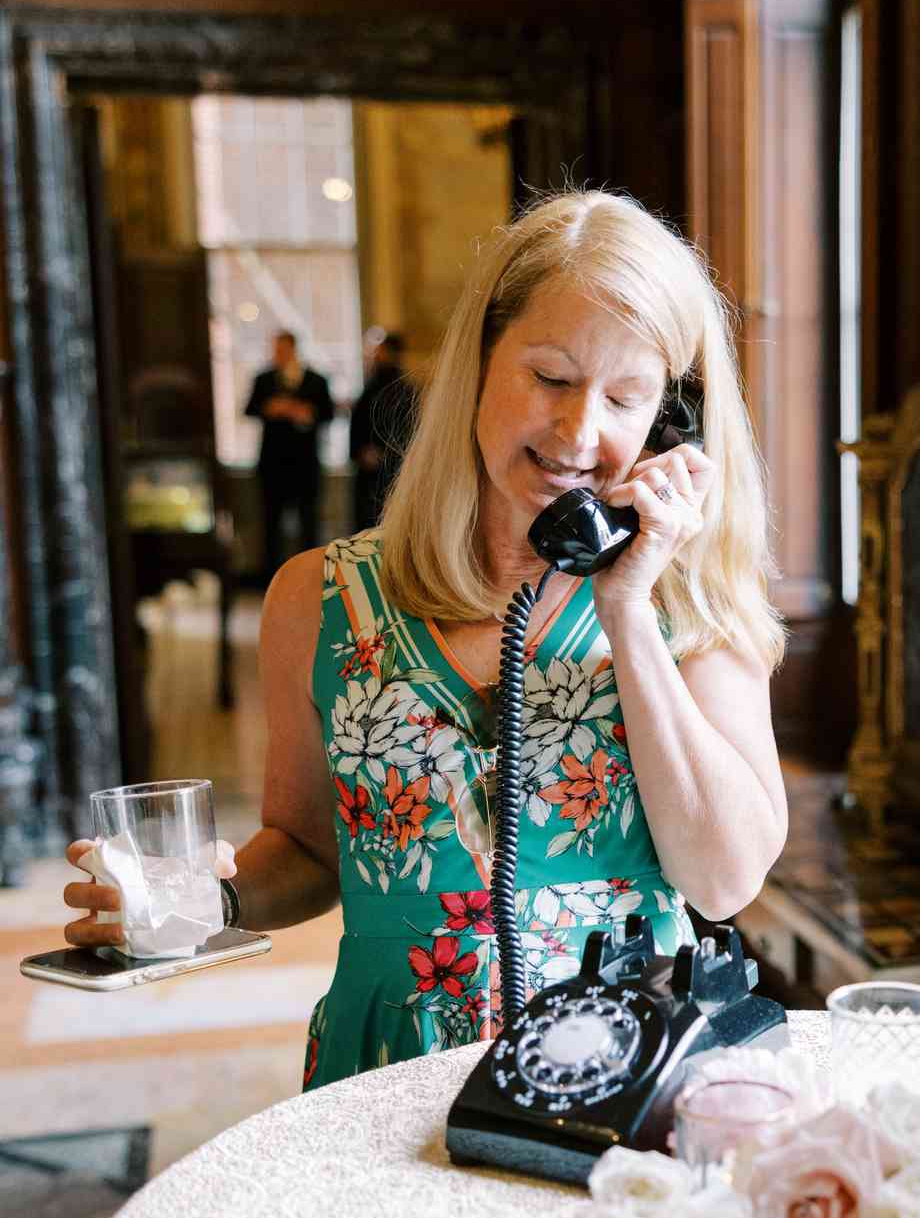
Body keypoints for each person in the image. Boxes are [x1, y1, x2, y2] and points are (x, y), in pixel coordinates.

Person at [63, 191, 788, 1090]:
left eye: (626, 397)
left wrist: (629, 608)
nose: (579, 432)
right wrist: (199, 900)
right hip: (384, 1068)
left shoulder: (692, 596)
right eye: (552, 378)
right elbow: (313, 846)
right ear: (478, 363)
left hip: (617, 1070)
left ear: (665, 422)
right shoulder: (315, 598)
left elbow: (725, 882)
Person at [245, 330, 334, 583]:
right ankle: (271, 581)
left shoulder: (316, 380)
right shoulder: (263, 379)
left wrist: (305, 413)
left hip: (305, 465)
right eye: (275, 349)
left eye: (282, 349)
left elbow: (328, 414)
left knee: (309, 524)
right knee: (270, 525)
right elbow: (249, 409)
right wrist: (270, 408)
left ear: (293, 349)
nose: (277, 354)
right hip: (273, 465)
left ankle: (313, 579)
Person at [348, 329, 416, 530]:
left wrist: (387, 453)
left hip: (394, 469)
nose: (377, 356)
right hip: (368, 470)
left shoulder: (406, 390)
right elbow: (358, 425)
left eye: (382, 352)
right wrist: (361, 451)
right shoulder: (369, 388)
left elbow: (409, 430)